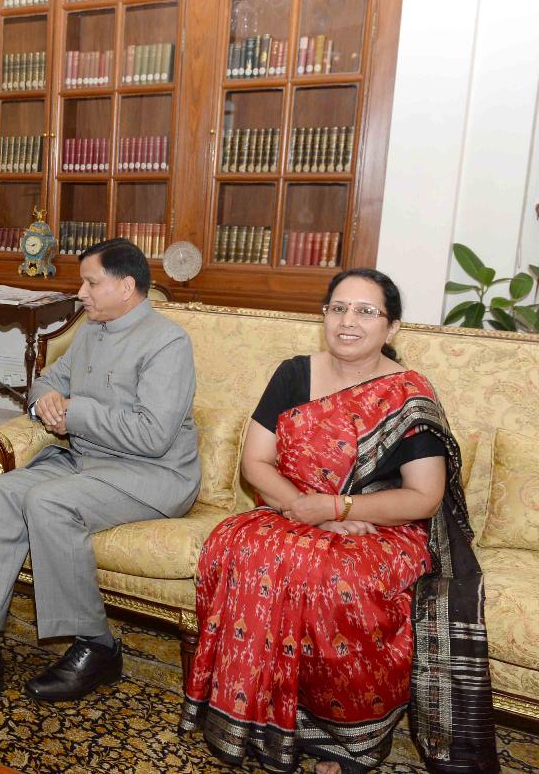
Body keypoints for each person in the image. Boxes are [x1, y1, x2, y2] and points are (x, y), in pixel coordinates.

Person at [181, 269, 497, 772]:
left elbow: (424, 498)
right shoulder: (293, 374)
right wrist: (308, 511)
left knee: (335, 578)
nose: (348, 321)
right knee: (237, 545)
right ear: (324, 316)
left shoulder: (407, 394)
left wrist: (335, 508)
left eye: (366, 311)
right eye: (338, 308)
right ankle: (259, 718)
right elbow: (255, 463)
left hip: (382, 527)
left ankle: (346, 741)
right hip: (294, 510)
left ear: (392, 328)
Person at [0, 238, 200, 701]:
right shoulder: (93, 330)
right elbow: (46, 381)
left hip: (152, 474)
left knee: (48, 502)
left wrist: (73, 412)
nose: (81, 293)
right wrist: (47, 401)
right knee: (0, 491)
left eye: (91, 283)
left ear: (126, 286)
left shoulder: (167, 342)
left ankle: (98, 646)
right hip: (88, 462)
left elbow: (154, 435)